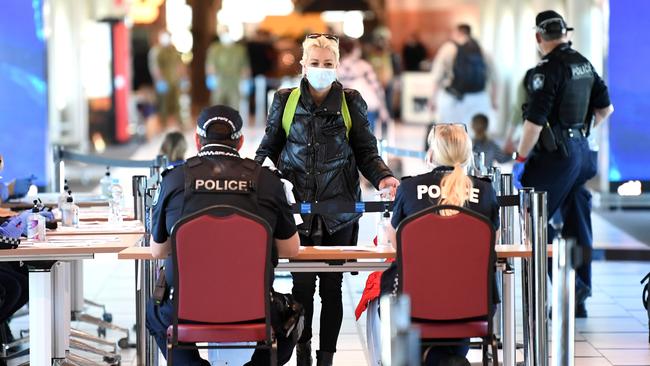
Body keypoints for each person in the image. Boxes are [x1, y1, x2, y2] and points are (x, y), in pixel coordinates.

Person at [255, 33, 399, 366]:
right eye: (316, 63)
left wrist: (383, 176)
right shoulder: (285, 100)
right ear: (303, 65)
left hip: (340, 212)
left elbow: (365, 151)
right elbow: (269, 148)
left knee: (332, 289)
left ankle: (327, 358)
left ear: (337, 66)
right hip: (297, 212)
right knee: (301, 287)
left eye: (328, 64)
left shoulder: (351, 101)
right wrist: (258, 173)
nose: (322, 69)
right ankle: (303, 353)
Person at [146, 105, 301, 365]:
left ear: (197, 141)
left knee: (155, 313)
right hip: (256, 308)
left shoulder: (173, 181)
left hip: (184, 309)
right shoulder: (268, 182)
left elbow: (158, 250)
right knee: (291, 319)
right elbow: (290, 249)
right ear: (240, 142)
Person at [513, 10, 614, 317]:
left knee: (534, 218)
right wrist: (580, 133)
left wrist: (519, 159)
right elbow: (605, 108)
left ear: (538, 37)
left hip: (556, 157)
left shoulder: (547, 70)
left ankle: (562, 283)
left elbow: (534, 121)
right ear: (565, 34)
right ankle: (580, 290)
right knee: (578, 215)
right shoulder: (584, 64)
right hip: (583, 154)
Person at [380, 124, 499, 365]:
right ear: (467, 155)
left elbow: (396, 242)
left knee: (385, 298)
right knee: (456, 302)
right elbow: (489, 243)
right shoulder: (486, 191)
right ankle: (449, 358)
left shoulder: (410, 188)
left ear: (431, 154)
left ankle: (431, 357)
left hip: (416, 303)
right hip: (476, 305)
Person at [430, 24, 497, 130]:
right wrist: (494, 101)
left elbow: (437, 77)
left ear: (457, 32)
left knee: (450, 135)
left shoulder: (448, 49)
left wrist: (432, 99)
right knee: (472, 135)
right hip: (478, 98)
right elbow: (495, 78)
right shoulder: (482, 49)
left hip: (453, 99)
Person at [337, 37, 390, 135]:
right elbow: (377, 88)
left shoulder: (338, 67)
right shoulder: (364, 66)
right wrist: (383, 108)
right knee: (367, 138)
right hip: (367, 106)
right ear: (355, 50)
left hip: (346, 108)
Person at [205, 29, 251, 109]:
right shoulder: (215, 48)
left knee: (234, 106)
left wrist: (245, 81)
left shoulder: (240, 49)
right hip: (219, 82)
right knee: (217, 106)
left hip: (235, 82)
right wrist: (211, 78)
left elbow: (245, 67)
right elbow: (210, 66)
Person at [149, 31, 183, 127]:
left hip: (174, 81)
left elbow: (179, 64)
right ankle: (163, 125)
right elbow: (155, 68)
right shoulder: (156, 51)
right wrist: (160, 80)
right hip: (163, 83)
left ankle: (179, 123)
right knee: (163, 105)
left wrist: (182, 77)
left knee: (176, 104)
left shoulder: (173, 50)